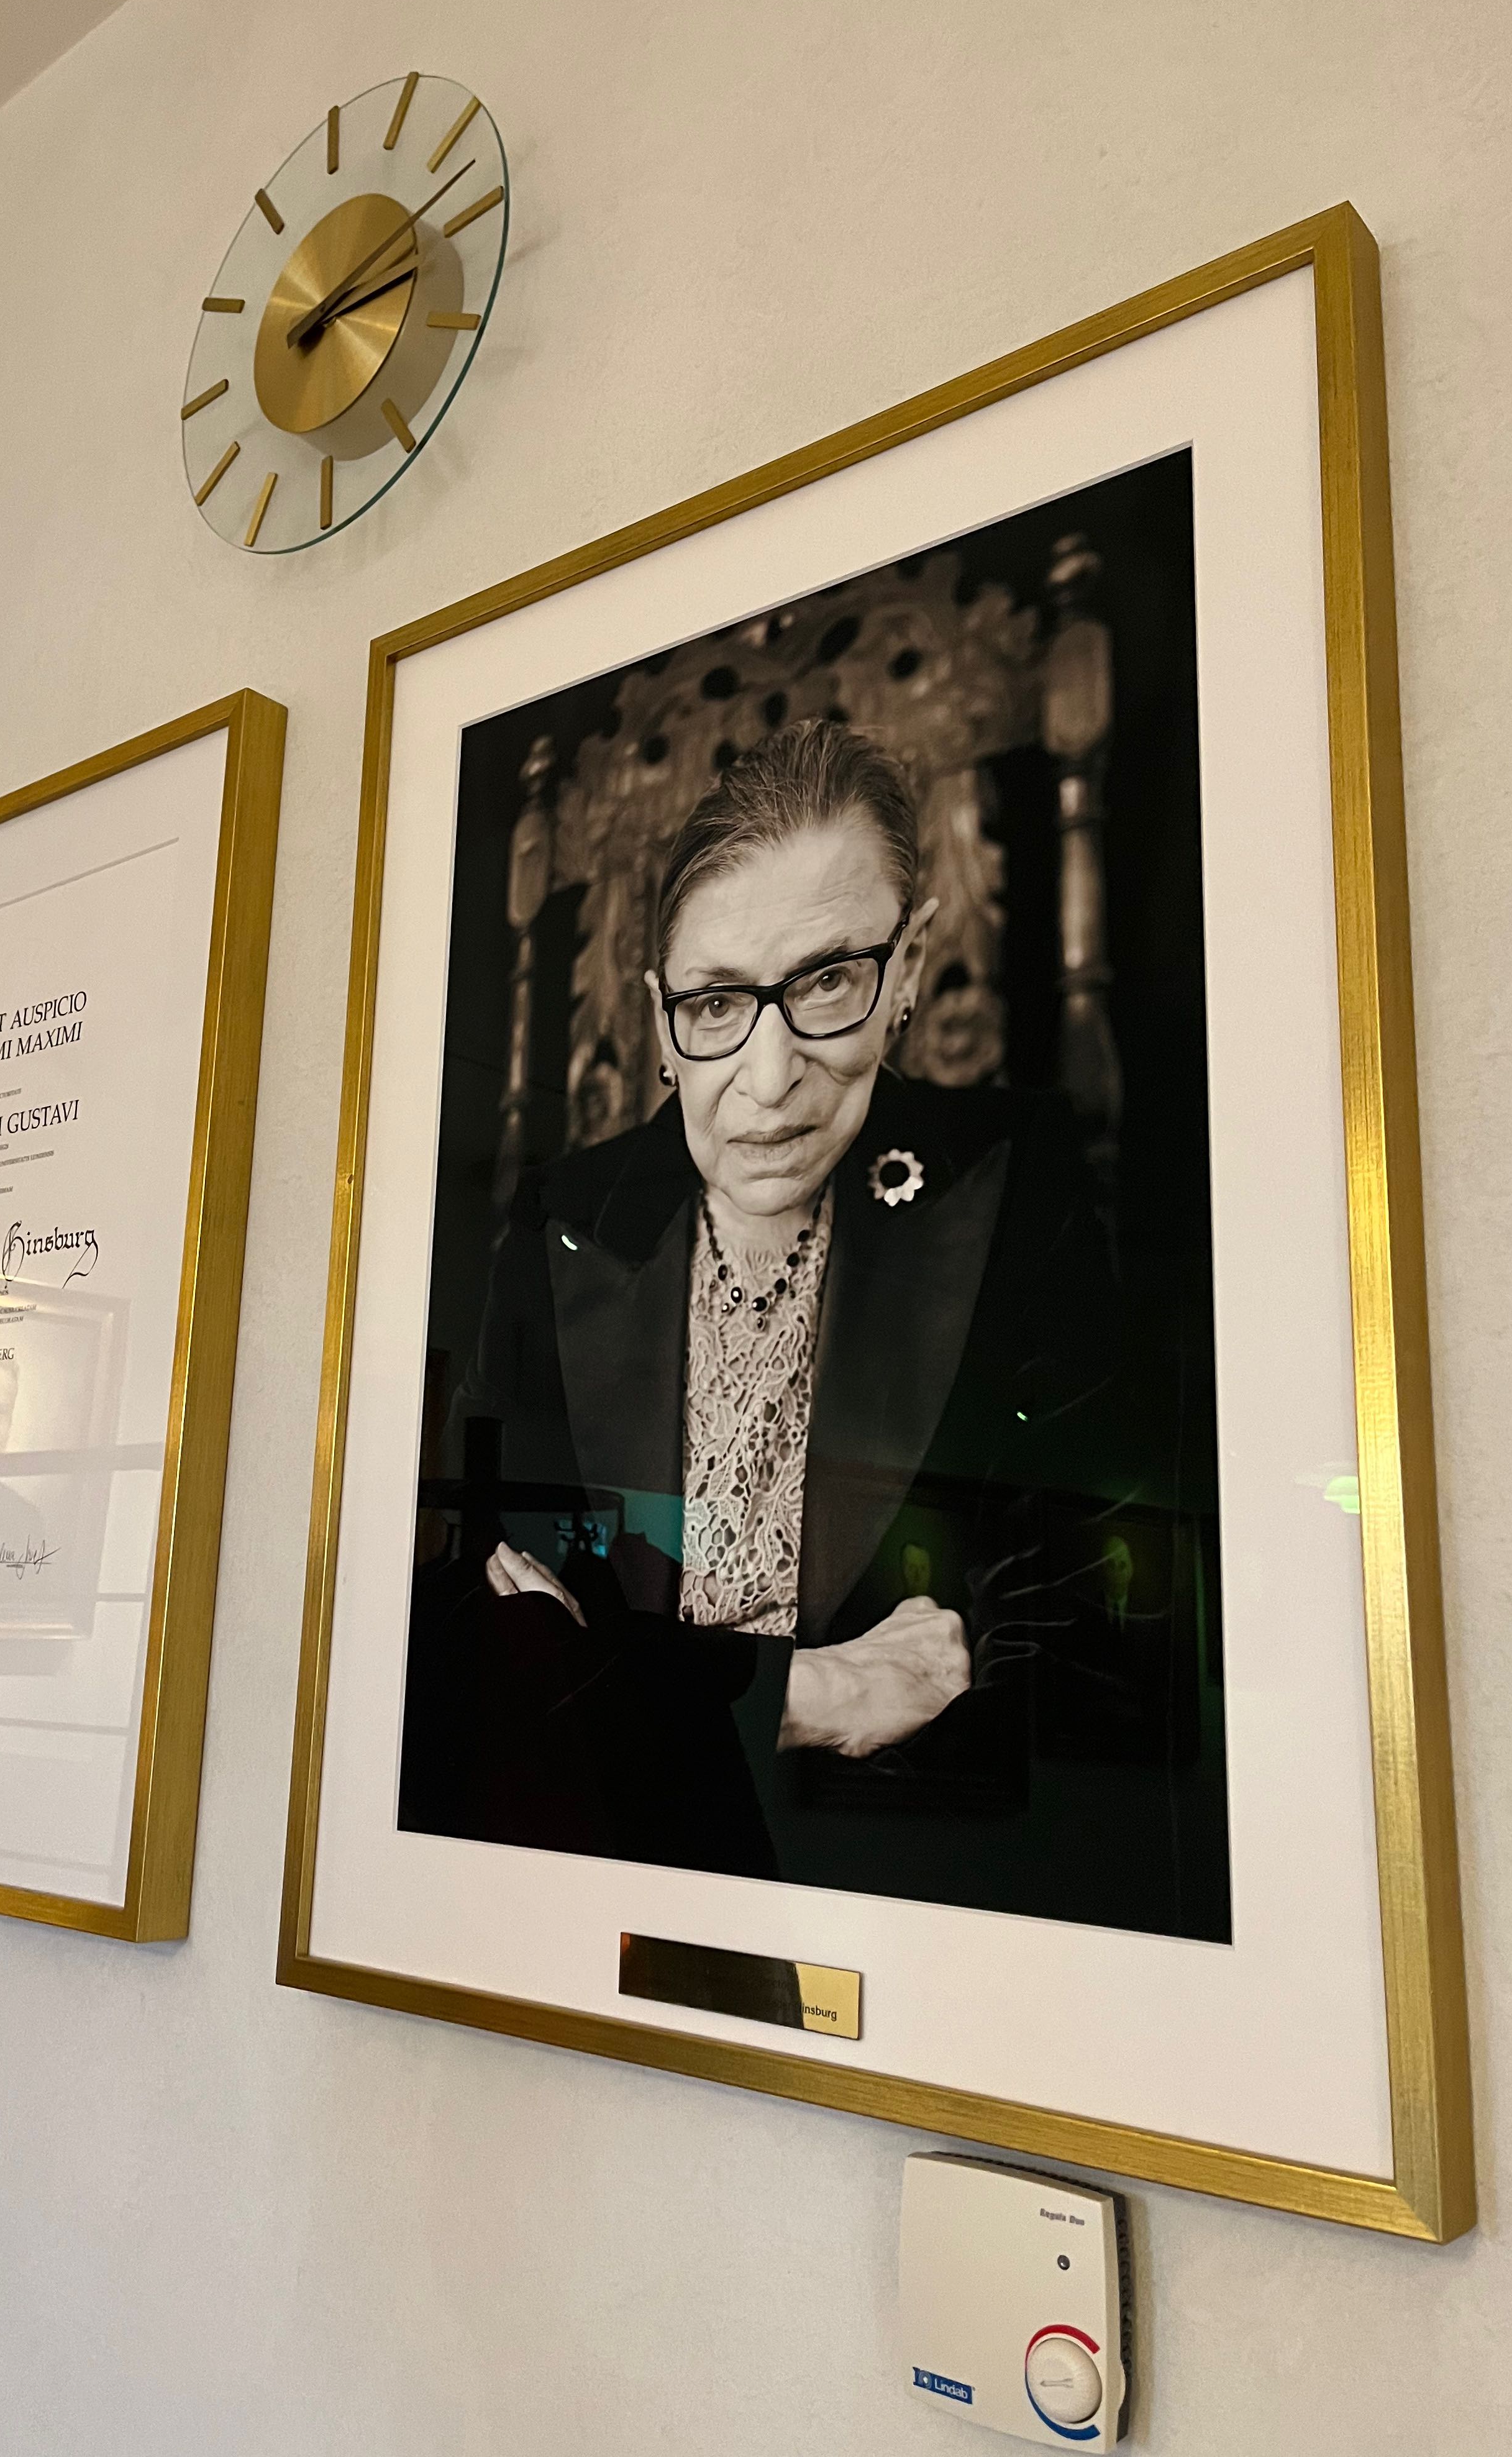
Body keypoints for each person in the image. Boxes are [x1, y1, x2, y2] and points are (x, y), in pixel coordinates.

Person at [399, 720, 1127, 1902]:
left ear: (907, 968)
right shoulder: (562, 1219)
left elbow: (1087, 1656)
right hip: (583, 1883)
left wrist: (611, 1680)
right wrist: (802, 1694)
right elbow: (466, 1636)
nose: (772, 1075)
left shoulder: (1016, 1187)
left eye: (829, 981)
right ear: (661, 1019)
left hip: (900, 1901)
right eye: (717, 1003)